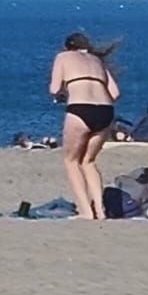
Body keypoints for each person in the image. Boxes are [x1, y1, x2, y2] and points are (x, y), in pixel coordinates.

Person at [49, 32, 121, 219]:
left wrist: (64, 94)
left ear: (67, 47)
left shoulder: (63, 57)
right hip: (106, 111)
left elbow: (54, 88)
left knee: (71, 160)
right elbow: (115, 92)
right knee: (88, 161)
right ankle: (100, 209)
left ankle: (86, 211)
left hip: (80, 109)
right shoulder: (97, 60)